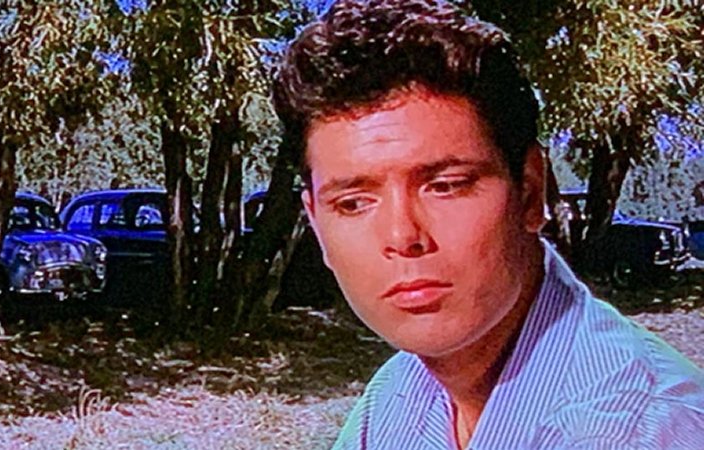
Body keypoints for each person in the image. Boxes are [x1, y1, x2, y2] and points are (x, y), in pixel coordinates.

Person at [271, 1, 704, 448]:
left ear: (530, 193)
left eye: (446, 186)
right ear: (317, 224)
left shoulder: (645, 431)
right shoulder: (395, 401)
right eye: (354, 203)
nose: (402, 236)